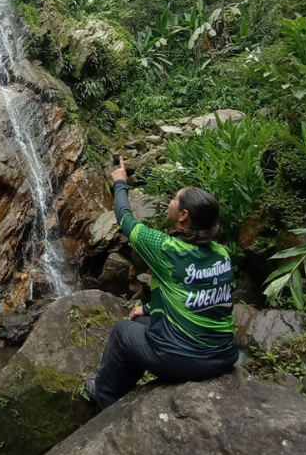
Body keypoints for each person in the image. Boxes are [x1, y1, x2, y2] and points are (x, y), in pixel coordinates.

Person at [86, 156, 239, 409]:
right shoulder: (221, 254)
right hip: (223, 354)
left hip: (187, 360)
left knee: (122, 330)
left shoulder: (166, 249)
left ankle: (105, 396)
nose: (169, 201)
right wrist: (147, 310)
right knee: (141, 321)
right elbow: (195, 295)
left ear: (183, 215)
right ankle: (123, 387)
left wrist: (120, 183)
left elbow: (125, 218)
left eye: (174, 199)